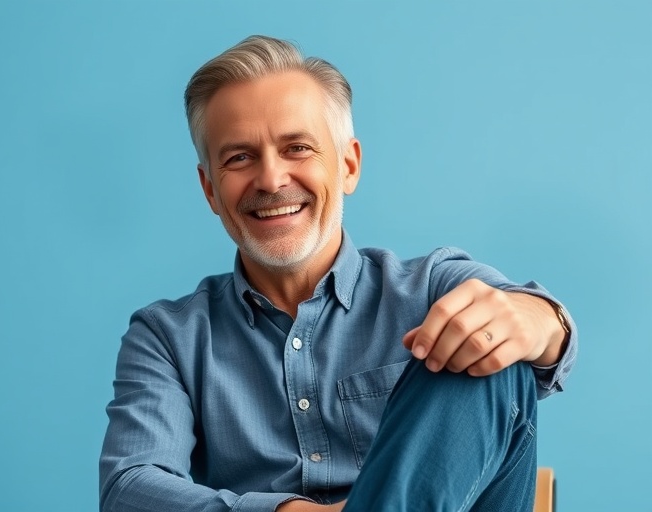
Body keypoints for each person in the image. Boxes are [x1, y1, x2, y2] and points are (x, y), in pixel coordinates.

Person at [99, 35, 577, 512]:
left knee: (483, 334)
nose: (270, 179)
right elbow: (131, 489)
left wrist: (536, 318)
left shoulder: (431, 286)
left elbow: (534, 328)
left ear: (348, 165)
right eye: (239, 158)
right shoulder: (166, 337)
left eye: (298, 148)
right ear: (210, 191)